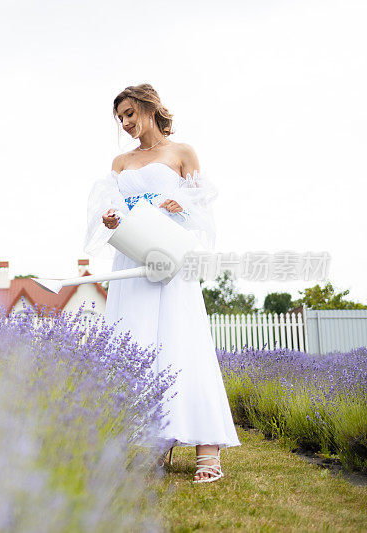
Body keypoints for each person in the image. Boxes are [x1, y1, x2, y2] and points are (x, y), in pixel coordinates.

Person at [84, 83, 241, 483]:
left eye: (130, 114)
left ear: (149, 108)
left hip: (170, 259)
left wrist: (182, 205)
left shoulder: (182, 153)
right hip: (132, 261)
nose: (125, 123)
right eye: (120, 118)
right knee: (137, 347)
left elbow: (202, 208)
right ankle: (152, 442)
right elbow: (112, 207)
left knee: (182, 342)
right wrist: (111, 219)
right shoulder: (120, 162)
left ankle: (208, 449)